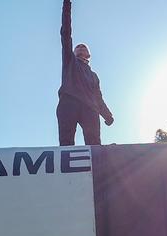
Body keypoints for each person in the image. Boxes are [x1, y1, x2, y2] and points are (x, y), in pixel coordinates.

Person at [57, 0, 114, 146]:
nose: (81, 47)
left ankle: (99, 167)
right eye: (77, 47)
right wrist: (67, 5)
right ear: (74, 52)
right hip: (68, 103)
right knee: (66, 142)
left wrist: (107, 115)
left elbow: (98, 98)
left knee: (94, 144)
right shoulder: (70, 62)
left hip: (90, 108)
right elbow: (66, 34)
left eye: (84, 47)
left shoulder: (94, 76)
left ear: (88, 54)